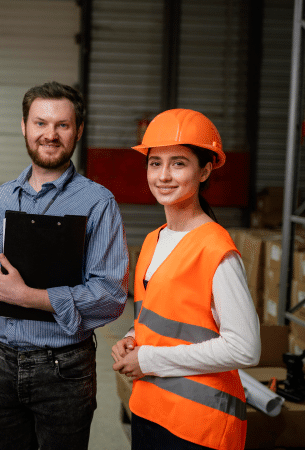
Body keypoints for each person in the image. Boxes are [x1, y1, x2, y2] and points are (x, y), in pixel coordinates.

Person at [0, 81, 128, 450]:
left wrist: (30, 296)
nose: (50, 134)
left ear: (78, 130)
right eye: (40, 123)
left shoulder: (98, 203)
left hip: (64, 370)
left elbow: (110, 295)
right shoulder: (1, 199)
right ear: (24, 126)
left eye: (62, 125)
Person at [111, 108, 261, 450]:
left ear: (205, 171)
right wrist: (134, 337)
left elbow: (245, 347)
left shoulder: (215, 248)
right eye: (155, 162)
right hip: (150, 410)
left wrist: (148, 360)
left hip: (199, 426)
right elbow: (167, 314)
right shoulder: (152, 240)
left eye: (178, 163)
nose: (163, 175)